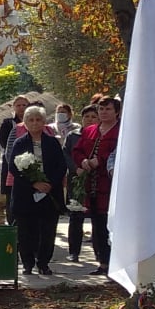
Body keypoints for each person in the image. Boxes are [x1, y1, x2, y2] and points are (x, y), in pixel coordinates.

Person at [4, 104, 68, 276]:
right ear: (25, 122)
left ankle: (44, 263)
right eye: (31, 120)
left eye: (38, 119)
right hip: (26, 194)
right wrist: (34, 183)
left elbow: (61, 166)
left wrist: (49, 184)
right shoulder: (20, 143)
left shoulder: (52, 142)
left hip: (49, 193)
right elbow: (14, 167)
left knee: (47, 230)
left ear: (44, 122)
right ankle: (27, 263)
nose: (34, 123)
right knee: (26, 231)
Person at [84, 96, 122, 271]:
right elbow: (78, 150)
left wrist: (100, 160)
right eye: (101, 109)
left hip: (111, 184)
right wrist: (83, 161)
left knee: (111, 222)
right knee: (97, 223)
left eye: (108, 109)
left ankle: (115, 262)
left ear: (117, 112)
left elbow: (119, 153)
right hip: (92, 184)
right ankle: (102, 261)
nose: (104, 112)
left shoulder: (121, 131)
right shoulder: (90, 130)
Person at [63, 102, 100, 261]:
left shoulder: (101, 135)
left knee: (98, 217)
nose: (90, 119)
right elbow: (66, 155)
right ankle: (74, 252)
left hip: (96, 180)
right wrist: (76, 168)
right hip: (76, 180)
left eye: (93, 117)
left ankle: (99, 253)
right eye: (87, 116)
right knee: (76, 216)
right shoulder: (73, 136)